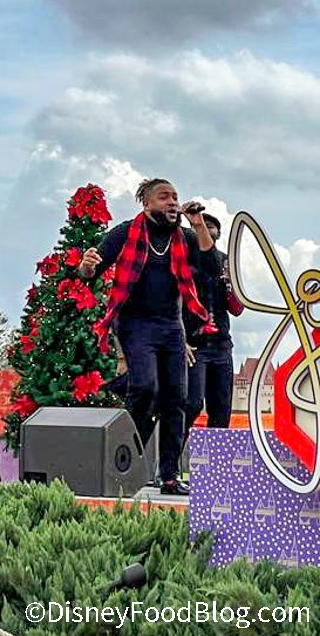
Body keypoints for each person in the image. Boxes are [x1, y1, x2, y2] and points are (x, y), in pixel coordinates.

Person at [78, 178, 216, 496]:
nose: (172, 202)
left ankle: (169, 476)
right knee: (145, 388)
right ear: (147, 203)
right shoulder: (126, 232)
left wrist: (198, 223)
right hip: (134, 323)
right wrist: (86, 266)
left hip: (171, 326)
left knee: (177, 399)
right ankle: (124, 455)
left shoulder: (184, 237)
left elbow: (210, 265)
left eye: (175, 196)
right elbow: (90, 274)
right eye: (164, 197)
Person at [183, 214, 243, 433]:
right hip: (194, 345)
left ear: (218, 233)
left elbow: (237, 309)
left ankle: (216, 454)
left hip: (221, 345)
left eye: (211, 226)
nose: (206, 230)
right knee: (192, 403)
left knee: (221, 409)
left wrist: (231, 286)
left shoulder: (227, 262)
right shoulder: (184, 262)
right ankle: (174, 449)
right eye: (201, 226)